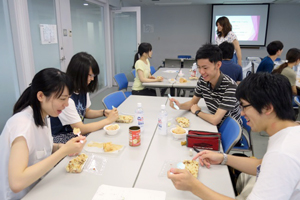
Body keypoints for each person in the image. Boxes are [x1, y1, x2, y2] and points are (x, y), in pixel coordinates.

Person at [168, 73, 300, 200]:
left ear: (267, 108)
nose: (242, 113)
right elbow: (262, 165)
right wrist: (223, 158)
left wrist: (193, 186)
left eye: (244, 106)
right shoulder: (290, 132)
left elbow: (274, 162)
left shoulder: (282, 154)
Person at [0, 68, 86, 200]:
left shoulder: (44, 115)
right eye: (62, 99)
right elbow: (16, 183)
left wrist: (60, 147)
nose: (66, 104)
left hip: (39, 187)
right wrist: (62, 152)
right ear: (40, 96)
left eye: (68, 98)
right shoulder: (21, 125)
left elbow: (40, 148)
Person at [169, 44, 247, 142]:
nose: (201, 72)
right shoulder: (203, 80)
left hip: (226, 132)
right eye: (199, 67)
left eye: (205, 68)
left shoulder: (230, 87)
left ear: (218, 65)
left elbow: (215, 120)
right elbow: (193, 103)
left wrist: (198, 112)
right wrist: (179, 105)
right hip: (211, 126)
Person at [51, 52, 119, 143]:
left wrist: (103, 112)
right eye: (90, 75)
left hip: (76, 133)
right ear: (78, 73)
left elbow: (85, 112)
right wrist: (108, 120)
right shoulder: (66, 97)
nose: (92, 79)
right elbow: (81, 129)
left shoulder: (82, 88)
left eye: (93, 75)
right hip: (62, 138)